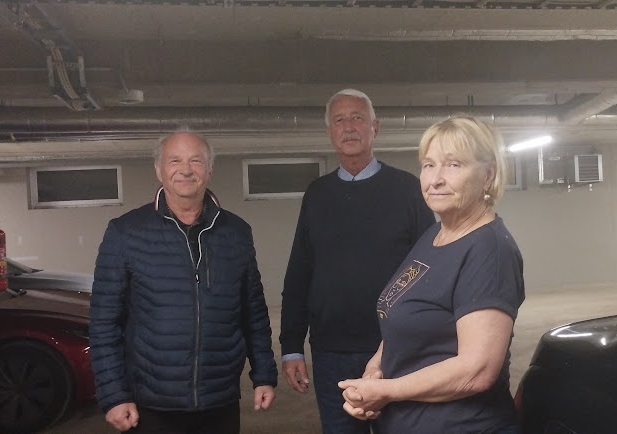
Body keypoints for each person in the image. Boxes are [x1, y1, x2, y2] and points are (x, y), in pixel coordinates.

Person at [338, 115, 525, 433]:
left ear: (488, 175)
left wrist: (386, 392)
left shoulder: (489, 250)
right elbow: (405, 312)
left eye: (453, 165)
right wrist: (375, 370)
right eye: (428, 165)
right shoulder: (435, 235)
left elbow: (477, 370)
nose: (435, 179)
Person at [89, 130, 277, 433]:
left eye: (196, 161)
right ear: (159, 170)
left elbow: (253, 312)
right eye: (175, 161)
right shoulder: (125, 233)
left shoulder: (237, 232)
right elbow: (103, 322)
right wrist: (114, 396)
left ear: (209, 170)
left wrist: (264, 374)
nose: (186, 170)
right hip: (151, 404)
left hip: (220, 401)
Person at [279, 89, 435, 434]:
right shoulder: (317, 195)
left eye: (357, 118)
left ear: (374, 128)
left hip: (396, 349)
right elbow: (299, 273)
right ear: (329, 133)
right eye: (339, 120)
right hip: (331, 351)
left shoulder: (408, 190)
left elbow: (431, 269)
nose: (348, 127)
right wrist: (291, 347)